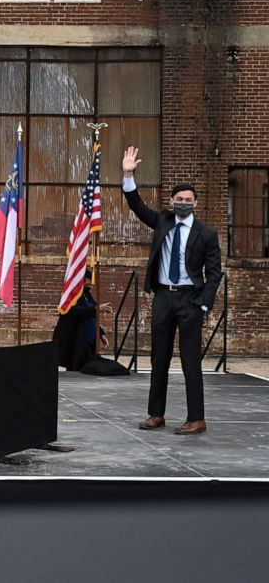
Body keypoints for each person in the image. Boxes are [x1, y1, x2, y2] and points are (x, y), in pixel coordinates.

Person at [122, 147, 222, 435]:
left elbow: (215, 273)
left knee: (191, 361)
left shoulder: (206, 234)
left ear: (196, 203)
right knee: (159, 357)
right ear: (171, 201)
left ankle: (196, 418)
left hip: (191, 299)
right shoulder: (163, 221)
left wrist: (203, 304)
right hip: (163, 297)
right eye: (179, 200)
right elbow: (136, 205)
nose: (183, 203)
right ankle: (156, 413)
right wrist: (129, 174)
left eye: (188, 200)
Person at [53, 271, 108, 372]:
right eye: (87, 280)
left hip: (87, 339)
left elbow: (92, 315)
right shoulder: (71, 295)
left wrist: (101, 334)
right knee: (76, 368)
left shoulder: (87, 295)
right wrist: (96, 309)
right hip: (74, 338)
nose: (89, 283)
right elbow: (73, 311)